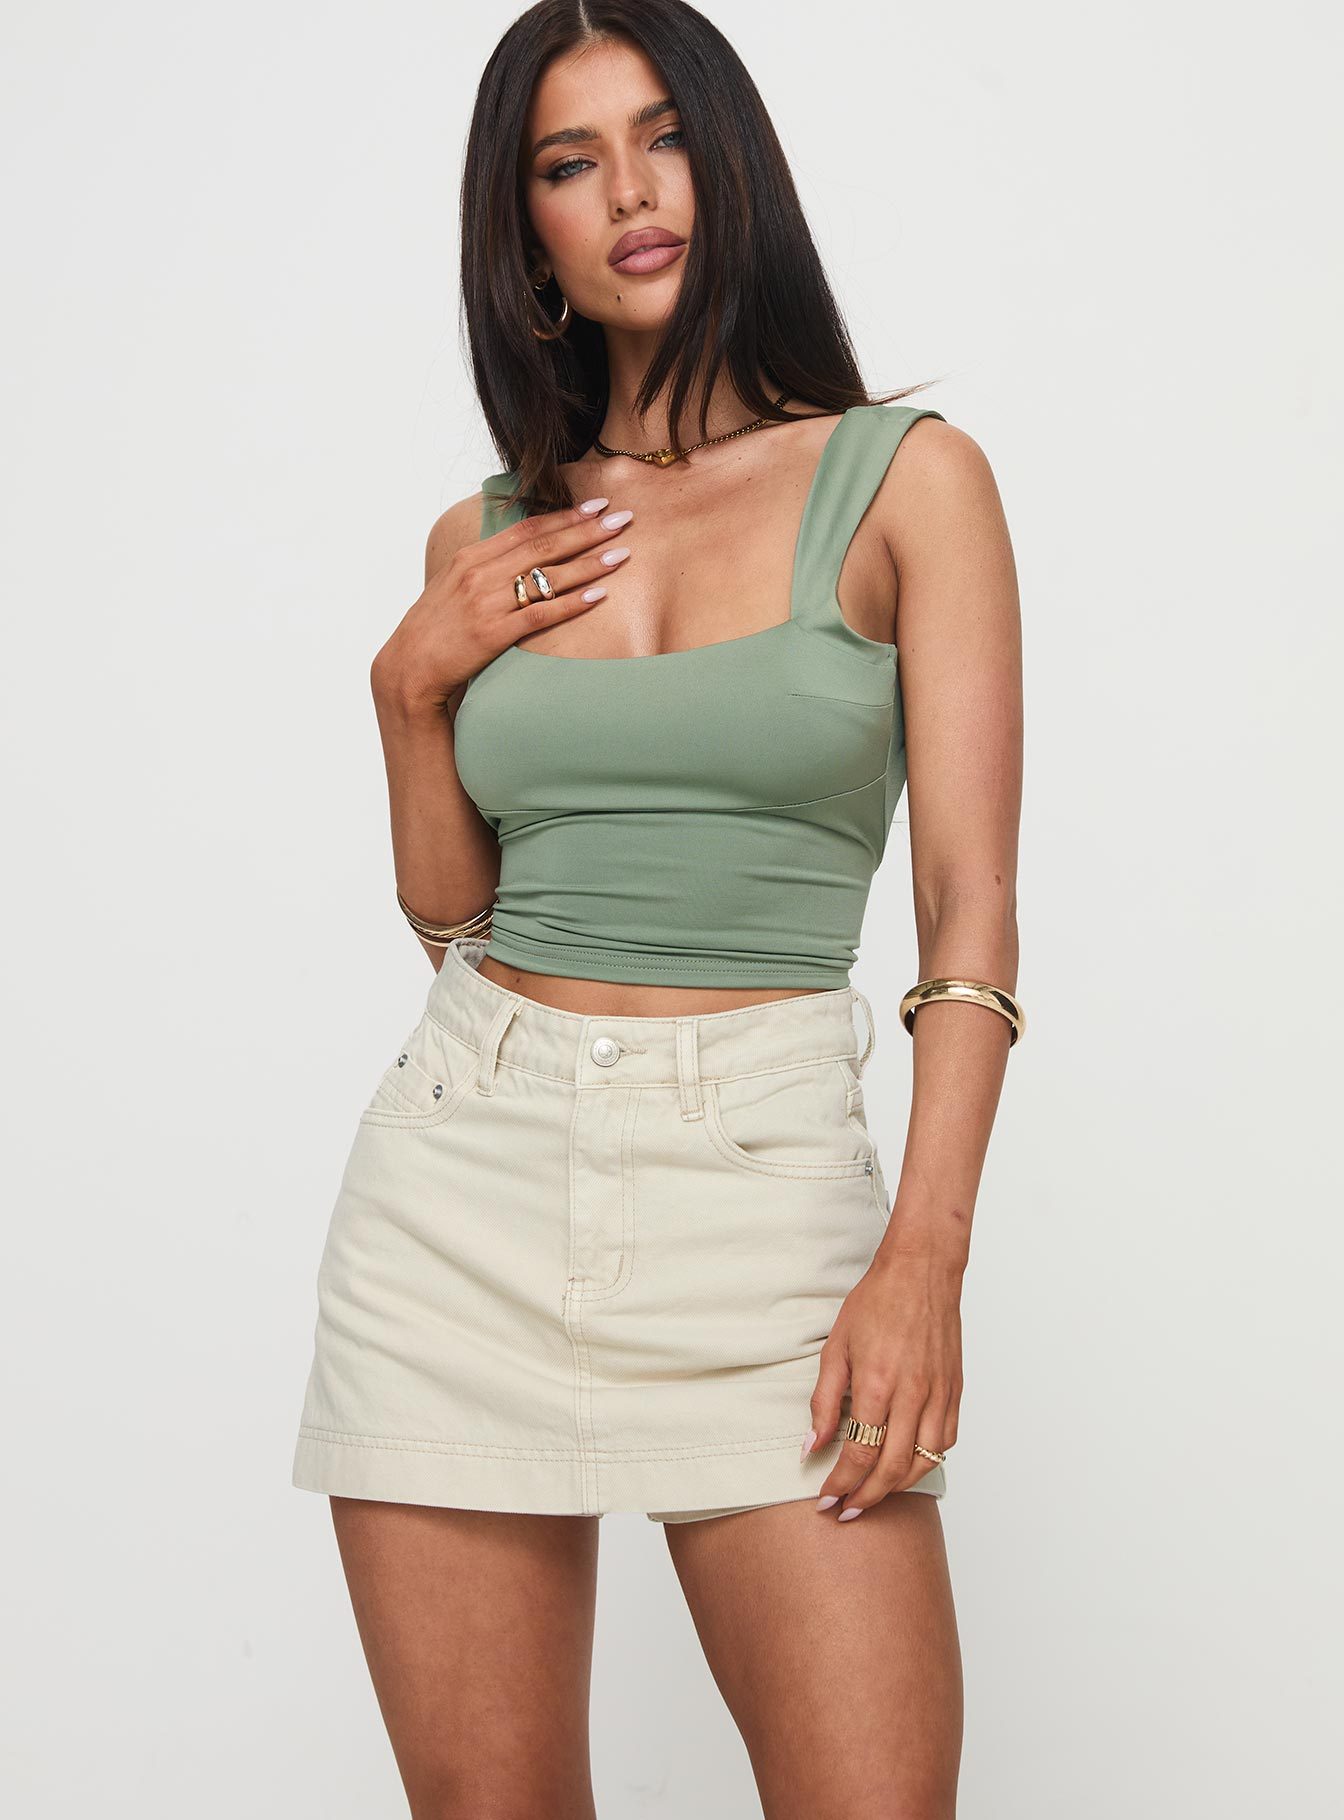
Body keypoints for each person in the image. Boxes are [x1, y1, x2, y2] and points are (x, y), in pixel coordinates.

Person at [291, 4, 1023, 1814]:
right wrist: (406, 690)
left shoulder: (906, 479)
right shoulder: (486, 540)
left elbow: (969, 905)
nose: (629, 191)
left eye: (662, 135)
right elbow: (455, 920)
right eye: (570, 161)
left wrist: (923, 1255)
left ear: (731, 162)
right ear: (525, 232)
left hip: (763, 1189)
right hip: (463, 1179)